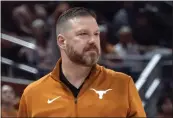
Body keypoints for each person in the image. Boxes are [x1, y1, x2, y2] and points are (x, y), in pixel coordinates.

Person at [18, 7, 146, 117]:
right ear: (62, 42)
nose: (92, 41)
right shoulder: (32, 94)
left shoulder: (123, 85)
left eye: (96, 34)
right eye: (83, 34)